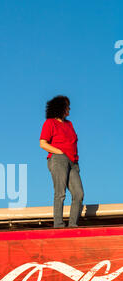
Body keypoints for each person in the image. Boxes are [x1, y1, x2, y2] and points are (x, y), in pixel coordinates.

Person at [39, 95, 84, 228]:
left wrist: (74, 162)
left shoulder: (69, 124)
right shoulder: (50, 123)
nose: (69, 108)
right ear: (60, 108)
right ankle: (58, 224)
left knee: (79, 193)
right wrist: (60, 152)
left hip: (73, 162)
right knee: (60, 192)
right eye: (67, 106)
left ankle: (72, 225)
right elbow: (43, 143)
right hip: (59, 159)